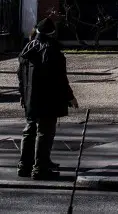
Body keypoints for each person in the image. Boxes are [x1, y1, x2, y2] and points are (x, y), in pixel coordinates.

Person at [17, 17, 78, 180]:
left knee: (30, 130)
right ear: (52, 33)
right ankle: (40, 168)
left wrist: (22, 95)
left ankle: (25, 165)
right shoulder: (52, 50)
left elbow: (21, 76)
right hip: (48, 98)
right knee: (45, 132)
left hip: (30, 97)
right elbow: (60, 78)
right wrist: (70, 97)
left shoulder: (27, 48)